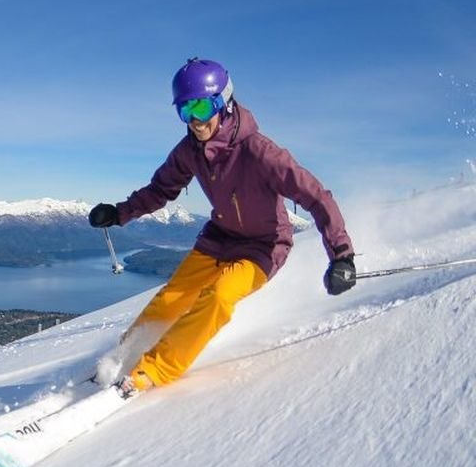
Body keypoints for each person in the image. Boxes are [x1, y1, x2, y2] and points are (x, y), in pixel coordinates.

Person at [88, 57, 357, 398]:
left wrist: (342, 255)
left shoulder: (261, 153)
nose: (195, 120)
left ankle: (154, 369)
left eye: (201, 107)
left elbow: (316, 196)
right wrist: (119, 213)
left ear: (223, 103)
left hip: (263, 247)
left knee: (218, 296)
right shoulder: (190, 151)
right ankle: (123, 356)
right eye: (185, 110)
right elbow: (161, 190)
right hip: (218, 238)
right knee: (171, 298)